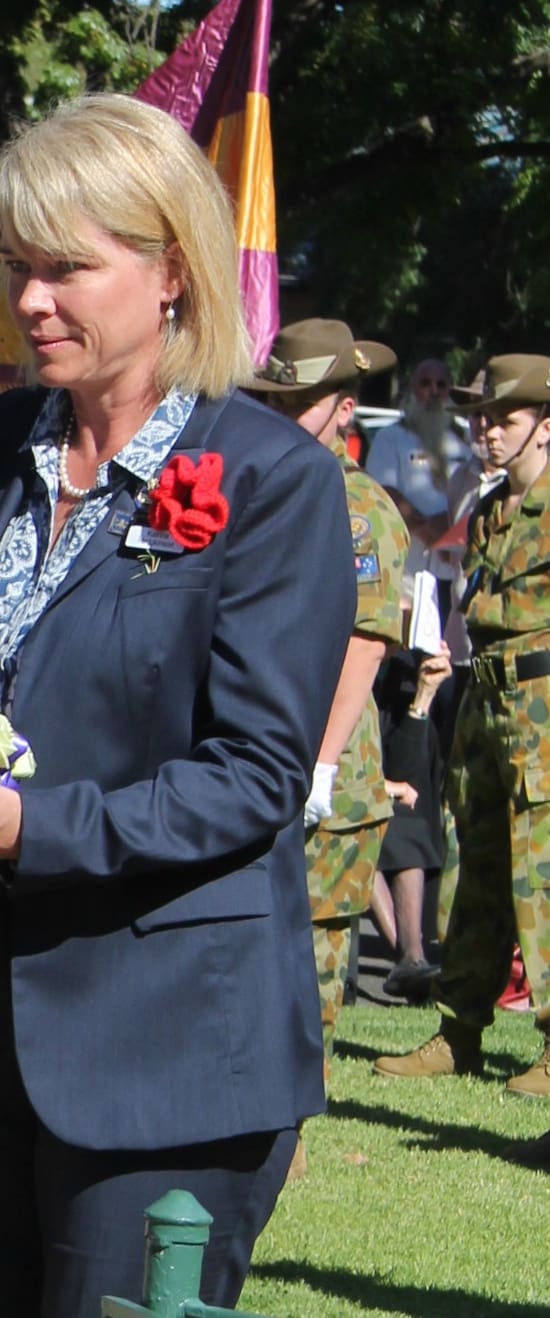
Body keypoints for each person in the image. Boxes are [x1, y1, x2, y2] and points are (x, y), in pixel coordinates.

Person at [0, 94, 355, 1314]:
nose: (30, 301)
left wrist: (32, 828)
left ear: (172, 275)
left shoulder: (273, 479)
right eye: (18, 267)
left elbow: (254, 776)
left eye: (67, 270)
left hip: (161, 1045)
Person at [376, 354, 550, 1097]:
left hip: (542, 706)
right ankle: (460, 1030)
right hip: (485, 702)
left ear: (545, 425)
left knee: (541, 879)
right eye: (479, 418)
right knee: (476, 871)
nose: (484, 431)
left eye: (502, 419)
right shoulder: (486, 509)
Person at [245, 318, 408, 1100]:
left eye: (300, 401)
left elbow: (366, 644)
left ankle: (291, 1115)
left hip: (326, 765)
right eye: (275, 399)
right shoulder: (262, 486)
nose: (283, 415)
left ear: (344, 409)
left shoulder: (362, 509)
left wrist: (322, 766)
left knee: (311, 947)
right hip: (255, 745)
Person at [371, 645, 454, 996]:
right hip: (340, 787)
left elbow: (407, 771)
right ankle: (409, 959)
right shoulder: (347, 657)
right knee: (356, 822)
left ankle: (411, 959)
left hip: (398, 788)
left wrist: (423, 696)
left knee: (408, 817)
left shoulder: (409, 671)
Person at [366, 357, 471, 537]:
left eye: (441, 385)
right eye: (425, 384)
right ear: (412, 390)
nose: (434, 391)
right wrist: (428, 530)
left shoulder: (465, 440)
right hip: (411, 553)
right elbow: (382, 493)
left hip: (456, 557)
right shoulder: (390, 437)